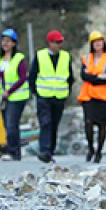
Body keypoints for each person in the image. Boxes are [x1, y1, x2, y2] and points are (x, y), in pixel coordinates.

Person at [29, 30, 73, 163]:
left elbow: (70, 76)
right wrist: (35, 92)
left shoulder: (65, 57)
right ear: (50, 43)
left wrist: (67, 92)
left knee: (54, 124)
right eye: (56, 42)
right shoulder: (40, 56)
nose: (59, 45)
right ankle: (45, 150)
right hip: (44, 96)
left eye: (60, 42)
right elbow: (32, 75)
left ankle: (50, 151)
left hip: (59, 97)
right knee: (45, 123)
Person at [78, 30, 106, 163]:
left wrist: (92, 77)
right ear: (91, 44)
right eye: (95, 42)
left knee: (102, 125)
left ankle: (99, 152)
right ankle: (90, 148)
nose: (98, 44)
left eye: (100, 42)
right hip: (88, 96)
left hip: (103, 97)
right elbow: (83, 76)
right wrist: (98, 76)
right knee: (88, 123)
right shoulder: (86, 58)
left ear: (104, 43)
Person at [0, 28, 29, 162]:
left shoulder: (19, 59)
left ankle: (13, 151)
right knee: (6, 124)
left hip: (17, 97)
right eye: (4, 41)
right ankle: (14, 150)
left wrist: (10, 91)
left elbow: (22, 78)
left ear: (14, 43)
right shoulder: (0, 59)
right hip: (4, 97)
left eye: (8, 41)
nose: (5, 44)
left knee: (11, 124)